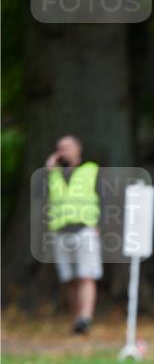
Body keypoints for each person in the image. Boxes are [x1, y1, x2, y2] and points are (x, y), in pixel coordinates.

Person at [45, 135, 103, 334]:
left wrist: (101, 224)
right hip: (60, 231)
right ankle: (77, 319)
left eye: (68, 147)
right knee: (69, 279)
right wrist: (49, 171)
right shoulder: (53, 174)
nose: (63, 151)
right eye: (60, 147)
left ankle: (86, 318)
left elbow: (105, 196)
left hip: (84, 229)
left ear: (79, 149)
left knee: (86, 275)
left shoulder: (91, 170)